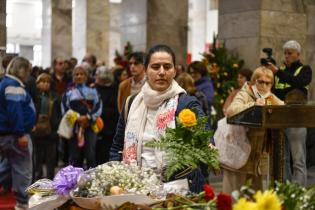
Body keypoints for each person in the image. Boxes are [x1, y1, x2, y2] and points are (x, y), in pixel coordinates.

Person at [110, 44, 207, 193]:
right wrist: (115, 180)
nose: (161, 72)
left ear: (174, 71)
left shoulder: (186, 103)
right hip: (134, 188)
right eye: (155, 67)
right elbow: (117, 146)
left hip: (174, 192)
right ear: (146, 70)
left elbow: (205, 139)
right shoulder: (132, 103)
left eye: (167, 67)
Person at [223, 66, 284, 194]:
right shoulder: (245, 93)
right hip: (241, 147)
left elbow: (284, 109)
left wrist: (274, 107)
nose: (264, 86)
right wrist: (253, 105)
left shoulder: (270, 96)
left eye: (267, 83)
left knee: (256, 191)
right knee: (236, 190)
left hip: (260, 152)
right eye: (260, 82)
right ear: (253, 81)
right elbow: (231, 111)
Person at [268, 40, 312, 186]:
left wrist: (279, 73)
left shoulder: (305, 70)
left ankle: (297, 194)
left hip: (296, 120)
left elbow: (298, 83)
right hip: (280, 119)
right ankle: (284, 190)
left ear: (298, 55)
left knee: (298, 159)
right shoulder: (280, 70)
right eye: (285, 53)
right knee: (283, 159)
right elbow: (275, 92)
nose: (286, 56)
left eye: (290, 53)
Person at [0, 57, 36, 210]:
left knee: (6, 168)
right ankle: (22, 203)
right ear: (21, 70)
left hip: (9, 135)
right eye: (28, 70)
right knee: (23, 169)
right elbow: (15, 112)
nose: (29, 74)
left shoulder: (8, 83)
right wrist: (21, 133)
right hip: (15, 136)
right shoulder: (12, 85)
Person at [61, 64, 102, 169]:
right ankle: (74, 182)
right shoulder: (68, 93)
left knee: (90, 154)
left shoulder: (92, 91)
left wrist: (88, 117)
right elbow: (64, 109)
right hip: (74, 127)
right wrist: (77, 118)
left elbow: (98, 107)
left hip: (90, 126)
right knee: (75, 156)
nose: (79, 76)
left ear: (86, 76)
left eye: (82, 74)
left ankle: (91, 182)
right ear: (73, 77)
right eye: (76, 74)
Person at [32, 73, 60, 180]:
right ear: (37, 83)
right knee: (37, 157)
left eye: (48, 82)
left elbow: (58, 114)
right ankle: (38, 177)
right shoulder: (35, 97)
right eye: (42, 82)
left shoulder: (55, 96)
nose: (45, 84)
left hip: (51, 131)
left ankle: (49, 178)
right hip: (37, 130)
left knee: (50, 157)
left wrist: (55, 128)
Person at [95, 66, 119, 164]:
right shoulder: (95, 89)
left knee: (106, 152)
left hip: (110, 126)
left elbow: (116, 108)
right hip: (97, 126)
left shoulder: (115, 89)